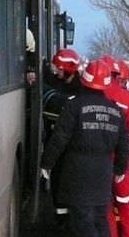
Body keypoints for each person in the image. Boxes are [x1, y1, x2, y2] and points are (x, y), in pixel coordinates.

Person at [41, 59, 129, 237]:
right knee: (99, 218)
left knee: (81, 221)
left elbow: (60, 138)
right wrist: (120, 168)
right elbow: (123, 143)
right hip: (103, 172)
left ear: (84, 79)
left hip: (78, 171)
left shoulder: (74, 106)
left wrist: (46, 163)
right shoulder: (116, 110)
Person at [42, 47, 84, 227]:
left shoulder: (80, 89)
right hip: (57, 144)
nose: (56, 72)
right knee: (58, 185)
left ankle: (68, 221)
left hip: (71, 146)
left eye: (59, 69)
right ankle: (61, 219)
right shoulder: (56, 81)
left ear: (68, 69)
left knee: (69, 185)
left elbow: (58, 107)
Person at [103, 58, 129, 237]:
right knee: (126, 203)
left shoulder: (87, 96)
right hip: (121, 159)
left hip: (95, 160)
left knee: (105, 206)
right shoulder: (128, 97)